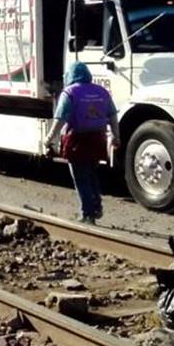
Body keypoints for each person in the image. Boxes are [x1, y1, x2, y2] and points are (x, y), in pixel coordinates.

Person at [45, 62, 120, 224]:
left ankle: (88, 214)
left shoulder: (69, 93)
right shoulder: (101, 91)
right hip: (97, 138)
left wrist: (49, 138)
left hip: (77, 140)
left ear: (69, 76)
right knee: (91, 173)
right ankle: (96, 206)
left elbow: (60, 119)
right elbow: (112, 114)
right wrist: (115, 135)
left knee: (80, 178)